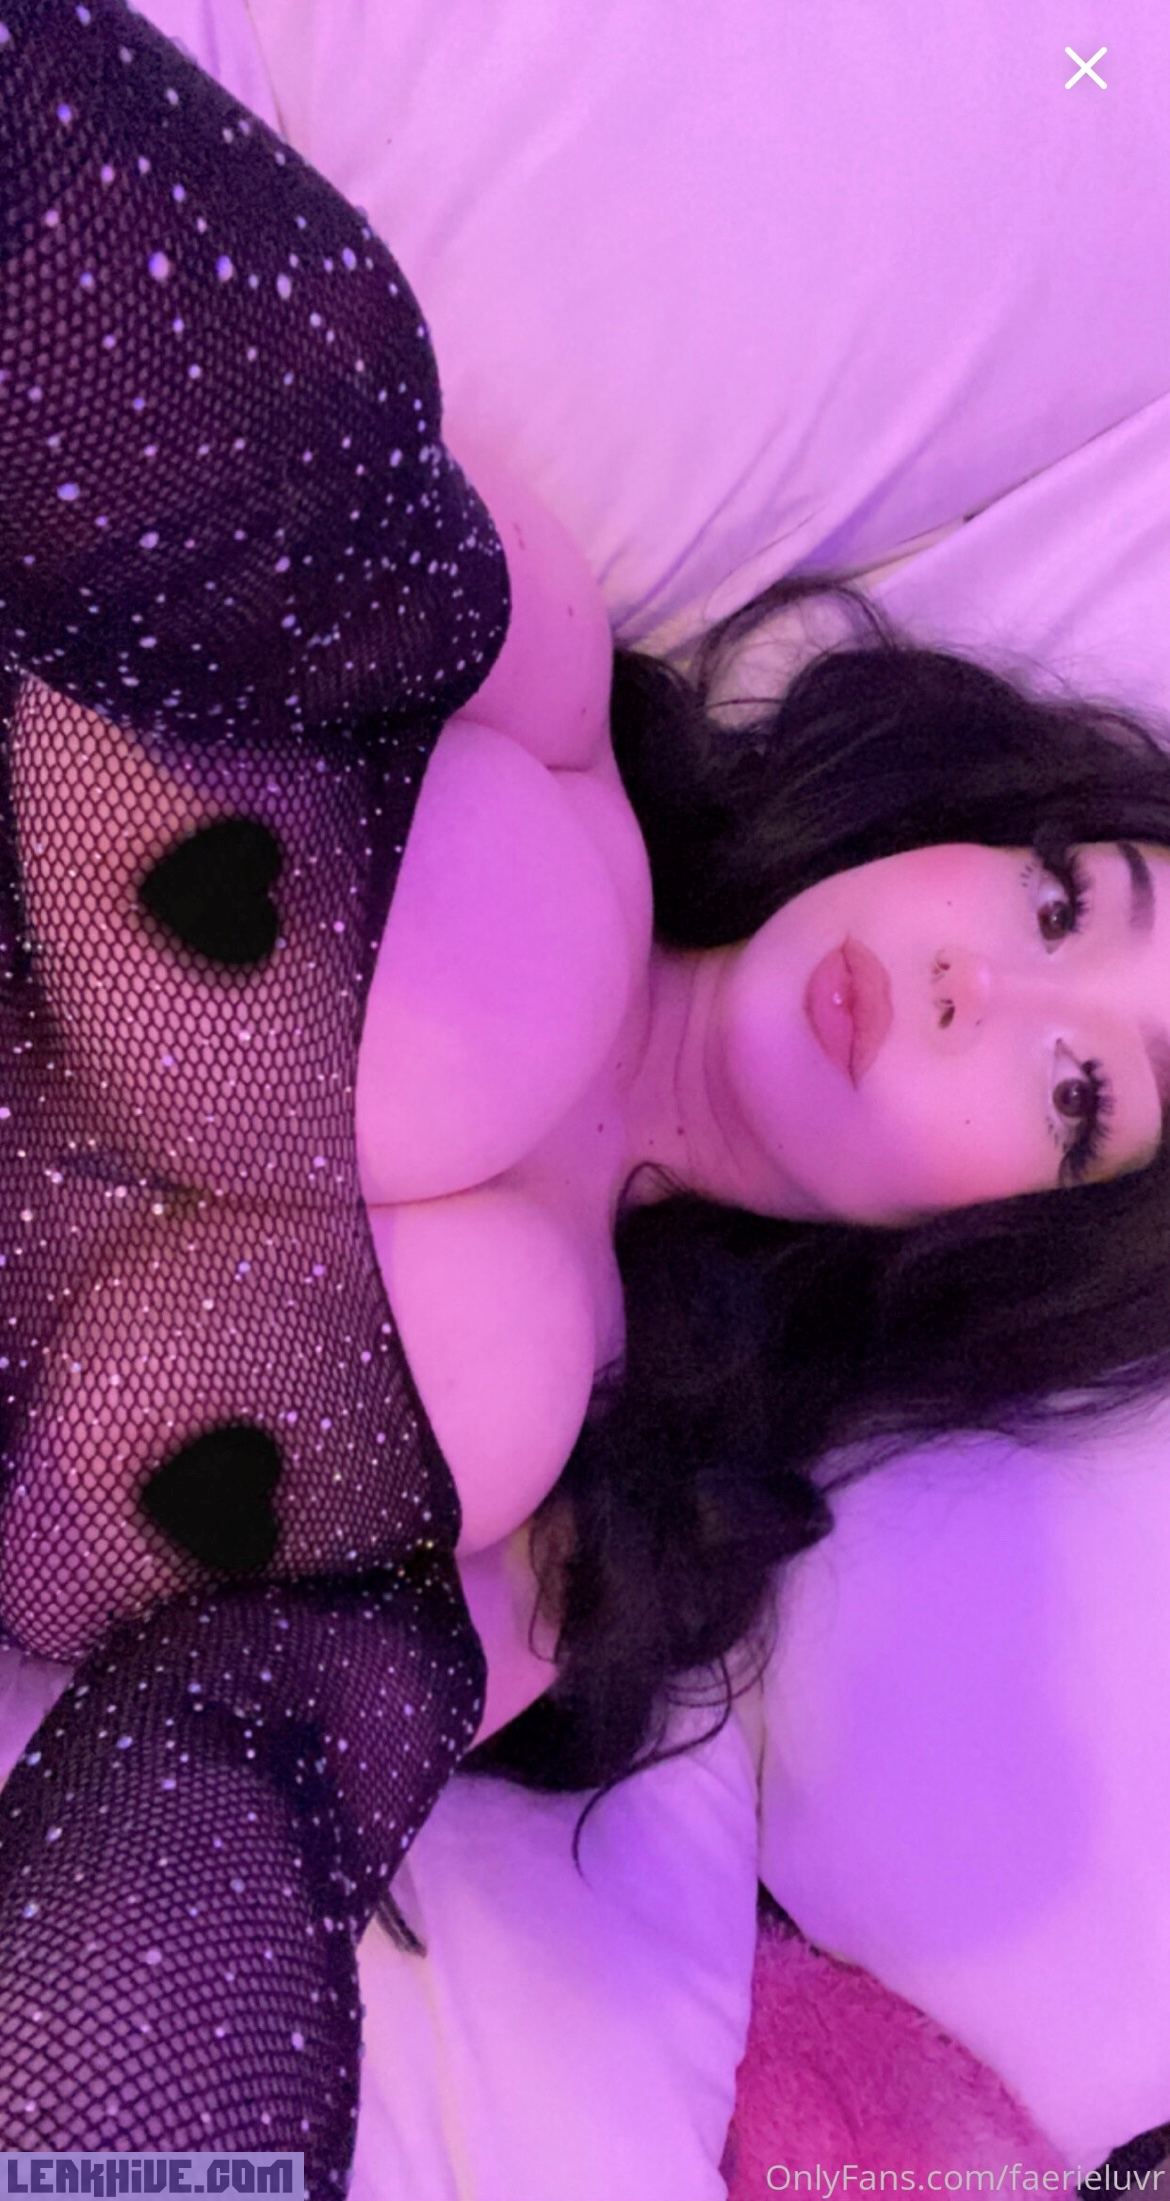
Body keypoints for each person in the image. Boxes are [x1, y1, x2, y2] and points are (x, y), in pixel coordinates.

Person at [4, 0, 1170, 2189]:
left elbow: (213, 1841)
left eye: (1076, 1086)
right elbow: (153, 386)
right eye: (1050, 897)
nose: (968, 985)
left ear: (1008, 1236)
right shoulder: (521, 694)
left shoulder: (579, 1533)